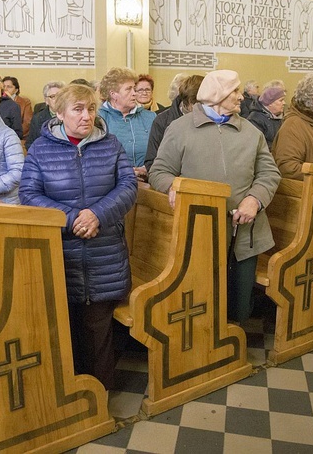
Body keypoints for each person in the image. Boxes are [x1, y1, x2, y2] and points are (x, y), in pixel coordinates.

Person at [19, 84, 137, 389]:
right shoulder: (41, 149)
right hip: (62, 253)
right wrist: (73, 219)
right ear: (59, 114)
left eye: (91, 109)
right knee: (64, 329)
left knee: (97, 330)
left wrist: (97, 214)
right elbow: (29, 194)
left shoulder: (109, 144)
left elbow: (127, 186)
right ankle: (70, 395)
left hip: (104, 252)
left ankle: (100, 398)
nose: (87, 116)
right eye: (78, 109)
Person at [149, 70, 281, 323]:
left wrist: (255, 199)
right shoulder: (179, 129)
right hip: (199, 233)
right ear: (217, 94)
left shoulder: (251, 132)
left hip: (244, 232)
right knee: (202, 303)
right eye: (235, 91)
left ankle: (234, 345)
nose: (241, 97)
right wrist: (174, 187)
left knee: (238, 305)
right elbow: (159, 171)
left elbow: (269, 173)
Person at [98, 67, 155, 181]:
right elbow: (97, 158)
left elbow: (161, 152)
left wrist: (148, 168)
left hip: (149, 180)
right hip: (112, 181)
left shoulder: (150, 117)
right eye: (129, 89)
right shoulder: (98, 119)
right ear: (113, 94)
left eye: (134, 88)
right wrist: (126, 172)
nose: (134, 93)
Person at [144, 74, 203, 171]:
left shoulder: (212, 117)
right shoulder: (162, 121)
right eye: (197, 104)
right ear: (187, 102)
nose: (202, 109)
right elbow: (151, 161)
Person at [26, 81, 63, 151]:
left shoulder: (72, 116)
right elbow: (30, 144)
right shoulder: (37, 118)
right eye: (53, 96)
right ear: (46, 100)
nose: (58, 99)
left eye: (60, 96)